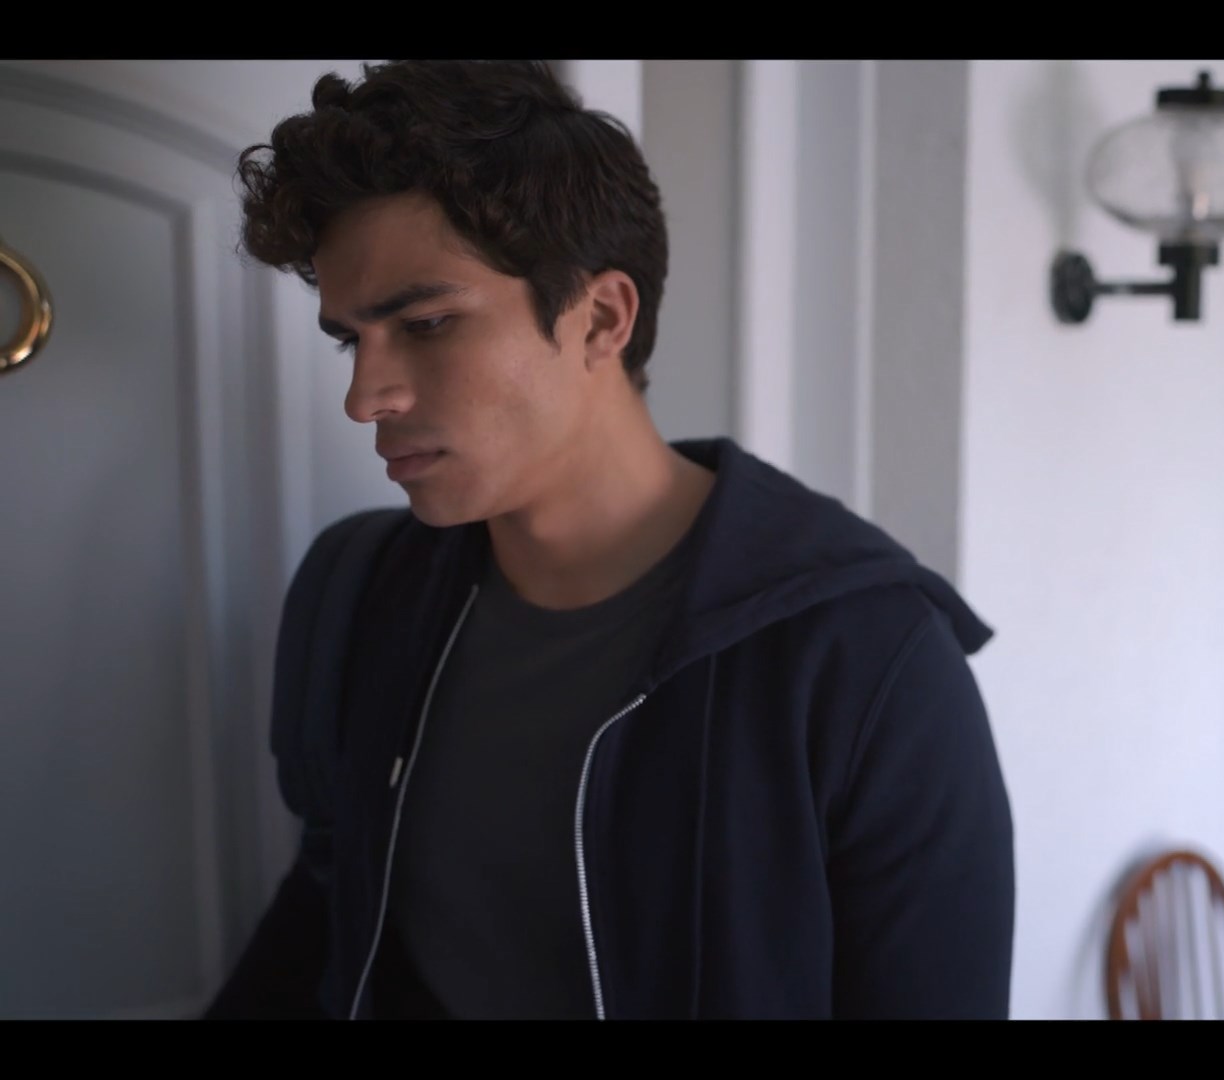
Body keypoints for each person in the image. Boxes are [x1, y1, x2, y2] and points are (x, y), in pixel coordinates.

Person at [203, 59, 1015, 1020]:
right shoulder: (360, 587)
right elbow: (330, 903)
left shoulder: (867, 660)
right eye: (351, 339)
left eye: (426, 323)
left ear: (602, 318)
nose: (364, 396)